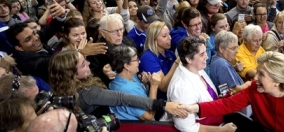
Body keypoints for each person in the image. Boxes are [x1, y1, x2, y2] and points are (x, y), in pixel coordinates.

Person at [180, 51, 284, 132]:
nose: (255, 78)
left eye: (261, 74)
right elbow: (226, 105)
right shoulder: (254, 88)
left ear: (278, 80)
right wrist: (195, 108)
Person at [48, 50, 187, 118]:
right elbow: (123, 98)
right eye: (84, 64)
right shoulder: (86, 93)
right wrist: (163, 104)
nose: (89, 63)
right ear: (71, 73)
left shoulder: (71, 86)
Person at [167, 36, 237, 132]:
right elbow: (189, 128)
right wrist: (222, 130)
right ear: (188, 59)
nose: (207, 57)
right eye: (202, 54)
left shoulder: (196, 67)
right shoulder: (181, 88)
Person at [108, 46, 163, 121]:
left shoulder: (126, 75)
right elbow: (149, 116)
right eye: (136, 60)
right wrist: (154, 86)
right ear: (127, 66)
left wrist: (143, 82)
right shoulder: (127, 90)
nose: (139, 62)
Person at [139, 21, 178, 100]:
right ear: (154, 39)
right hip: (159, 103)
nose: (170, 38)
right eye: (164, 36)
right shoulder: (148, 58)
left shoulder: (169, 53)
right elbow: (163, 87)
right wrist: (177, 62)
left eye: (169, 34)